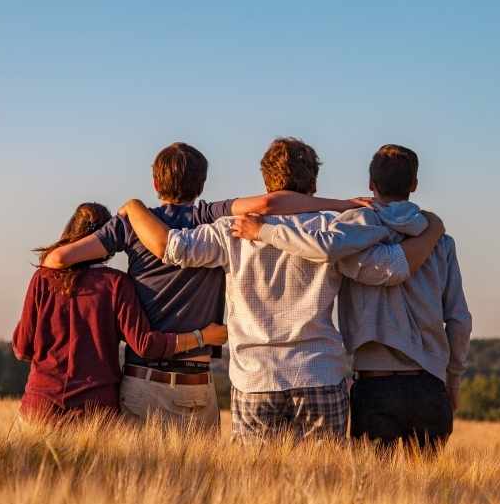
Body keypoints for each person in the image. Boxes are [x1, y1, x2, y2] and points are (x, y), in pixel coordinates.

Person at [117, 138, 445, 441]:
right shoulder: (334, 228)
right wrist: (431, 230)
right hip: (319, 373)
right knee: (323, 486)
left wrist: (133, 207)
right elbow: (389, 268)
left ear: (266, 181)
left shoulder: (230, 230)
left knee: (256, 489)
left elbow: (172, 248)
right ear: (313, 183)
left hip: (254, 378)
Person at [39, 142, 373, 429]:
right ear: (202, 183)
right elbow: (271, 205)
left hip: (147, 380)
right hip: (204, 382)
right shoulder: (210, 216)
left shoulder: (132, 224)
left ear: (155, 182)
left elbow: (57, 260)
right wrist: (342, 205)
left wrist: (128, 217)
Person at [233, 144, 472, 453]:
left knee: (370, 491)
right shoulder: (441, 242)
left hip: (374, 384)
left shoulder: (350, 233)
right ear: (414, 185)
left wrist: (265, 232)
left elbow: (324, 249)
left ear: (371, 184)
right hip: (430, 383)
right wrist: (452, 380)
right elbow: (459, 320)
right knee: (429, 494)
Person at [12, 202, 227, 425]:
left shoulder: (43, 278)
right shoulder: (116, 284)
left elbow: (22, 347)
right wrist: (202, 337)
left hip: (40, 406)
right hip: (95, 411)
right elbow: (145, 344)